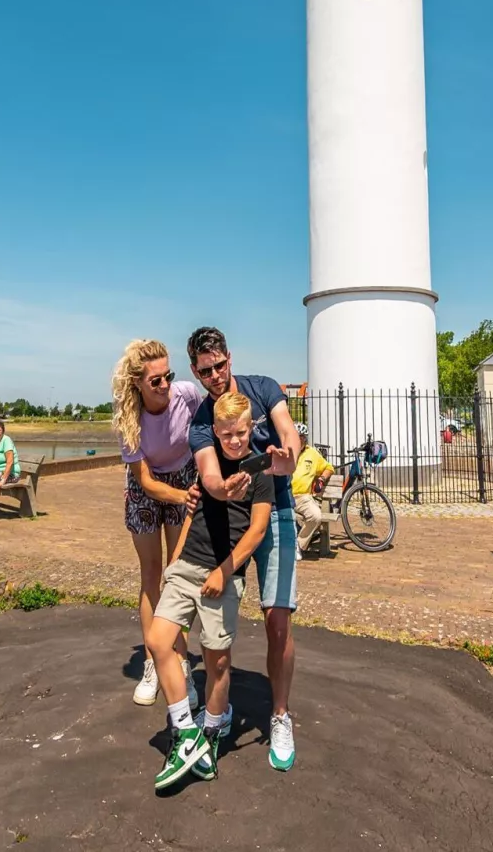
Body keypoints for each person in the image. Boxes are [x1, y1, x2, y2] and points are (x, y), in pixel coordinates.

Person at [186, 326, 301, 771]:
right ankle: (219, 710)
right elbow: (208, 471)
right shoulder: (200, 421)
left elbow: (289, 433)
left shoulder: (264, 389)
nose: (214, 376)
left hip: (278, 511)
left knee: (277, 619)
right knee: (213, 620)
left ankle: (279, 714)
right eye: (205, 371)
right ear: (196, 373)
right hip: (229, 518)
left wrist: (287, 457)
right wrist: (221, 488)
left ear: (229, 359)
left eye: (219, 366)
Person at [144, 390, 273, 790]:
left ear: (250, 428)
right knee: (158, 640)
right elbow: (191, 514)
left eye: (241, 432)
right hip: (188, 565)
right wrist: (175, 560)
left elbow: (257, 530)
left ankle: (213, 730)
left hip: (223, 574)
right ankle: (185, 733)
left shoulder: (259, 473)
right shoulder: (208, 467)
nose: (234, 440)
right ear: (215, 432)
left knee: (217, 663)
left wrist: (225, 570)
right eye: (227, 433)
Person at [111, 340, 203, 707]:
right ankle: (153, 662)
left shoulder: (188, 396)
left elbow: (204, 433)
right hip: (147, 488)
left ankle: (180, 665)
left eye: (168, 376)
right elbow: (146, 481)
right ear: (137, 383)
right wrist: (182, 498)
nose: (165, 385)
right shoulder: (128, 420)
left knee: (176, 576)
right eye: (155, 381)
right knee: (151, 576)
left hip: (183, 477)